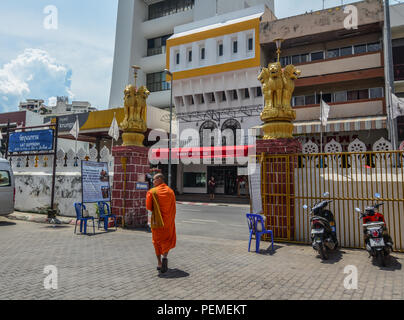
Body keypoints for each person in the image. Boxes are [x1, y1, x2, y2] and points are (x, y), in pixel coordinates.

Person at [146, 173, 176, 273]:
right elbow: (173, 208)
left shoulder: (152, 192)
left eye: (154, 180)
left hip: (157, 222)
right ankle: (165, 257)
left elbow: (149, 207)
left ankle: (159, 263)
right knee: (166, 240)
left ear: (159, 179)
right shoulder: (170, 192)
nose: (153, 182)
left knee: (157, 242)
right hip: (168, 222)